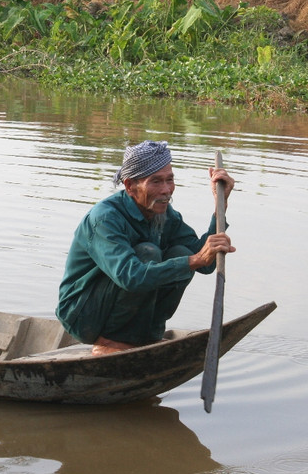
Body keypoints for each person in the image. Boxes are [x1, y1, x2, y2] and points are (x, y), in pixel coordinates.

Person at [57, 140, 236, 356]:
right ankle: (110, 341)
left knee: (182, 255)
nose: (166, 190)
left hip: (126, 315)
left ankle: (146, 336)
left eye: (170, 180)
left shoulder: (166, 214)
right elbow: (130, 276)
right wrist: (195, 260)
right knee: (148, 254)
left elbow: (204, 263)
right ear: (130, 185)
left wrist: (220, 206)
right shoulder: (104, 219)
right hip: (83, 315)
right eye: (156, 182)